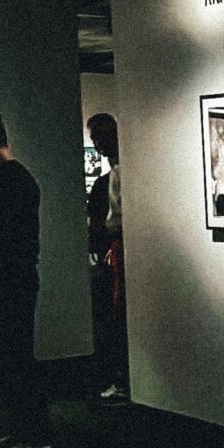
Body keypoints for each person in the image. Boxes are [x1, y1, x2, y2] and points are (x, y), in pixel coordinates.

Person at [0, 112, 52, 448]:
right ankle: (23, 432)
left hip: (11, 283)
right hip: (13, 281)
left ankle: (34, 438)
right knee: (14, 361)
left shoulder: (9, 182)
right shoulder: (16, 179)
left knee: (16, 361)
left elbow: (10, 240)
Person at [87, 112, 128, 402]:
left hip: (120, 247)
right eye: (95, 139)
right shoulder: (110, 177)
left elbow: (112, 220)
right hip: (114, 248)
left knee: (118, 312)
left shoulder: (120, 173)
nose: (99, 144)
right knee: (113, 313)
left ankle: (123, 379)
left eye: (102, 137)